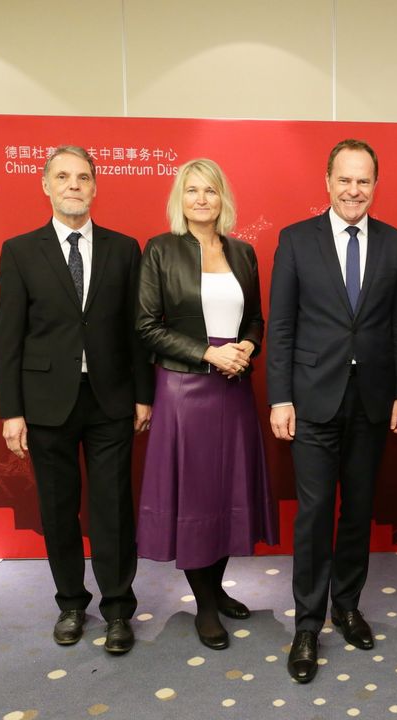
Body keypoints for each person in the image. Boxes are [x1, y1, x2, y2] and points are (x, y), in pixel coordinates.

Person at [267, 139, 397, 683]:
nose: (354, 191)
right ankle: (307, 623)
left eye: (364, 181)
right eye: (345, 180)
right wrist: (280, 397)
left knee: (357, 510)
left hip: (373, 399)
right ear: (327, 182)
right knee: (312, 515)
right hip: (311, 400)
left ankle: (346, 606)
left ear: (375, 185)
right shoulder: (296, 240)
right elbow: (280, 324)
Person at [0, 145, 153, 654]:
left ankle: (116, 610)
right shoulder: (20, 250)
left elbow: (137, 330)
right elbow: (9, 337)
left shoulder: (124, 248)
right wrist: (11, 411)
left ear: (95, 186)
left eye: (83, 177)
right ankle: (69, 603)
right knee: (58, 508)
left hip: (110, 399)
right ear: (45, 184)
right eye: (62, 177)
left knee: (112, 508)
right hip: (45, 403)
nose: (73, 185)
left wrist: (143, 396)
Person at [136, 158, 278, 650]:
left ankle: (216, 588)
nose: (201, 199)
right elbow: (146, 325)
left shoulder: (242, 252)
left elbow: (257, 320)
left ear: (223, 199)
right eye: (192, 190)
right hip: (185, 391)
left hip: (234, 388)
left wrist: (247, 348)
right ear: (181, 198)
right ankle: (205, 606)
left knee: (226, 493)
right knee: (196, 497)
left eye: (210, 191)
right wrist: (206, 352)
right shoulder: (160, 249)